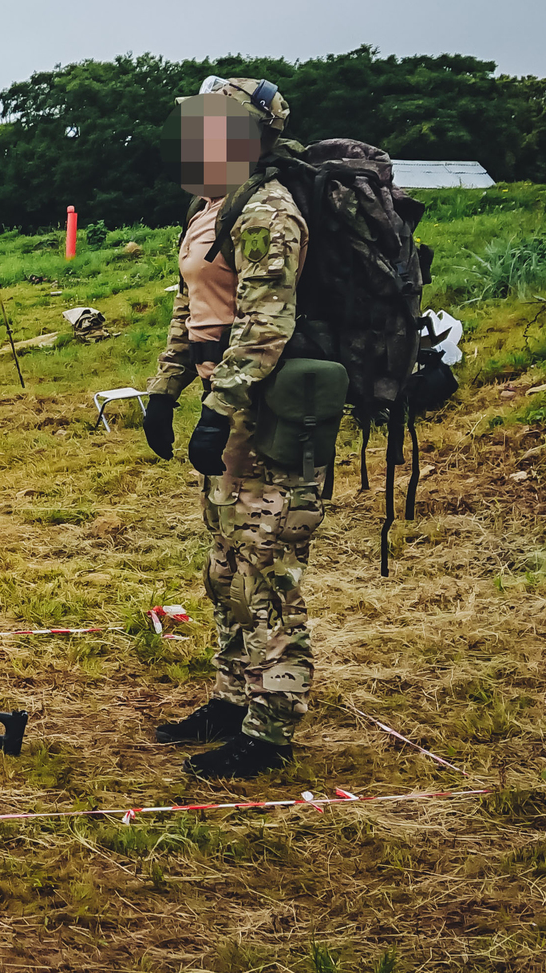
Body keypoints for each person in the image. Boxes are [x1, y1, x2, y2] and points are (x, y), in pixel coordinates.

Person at [143, 77, 321, 780]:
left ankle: (271, 727)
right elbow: (193, 311)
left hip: (267, 411)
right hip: (227, 399)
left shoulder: (269, 211)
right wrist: (167, 387)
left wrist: (220, 411)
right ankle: (232, 695)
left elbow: (265, 324)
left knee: (264, 566)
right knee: (224, 569)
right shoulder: (209, 206)